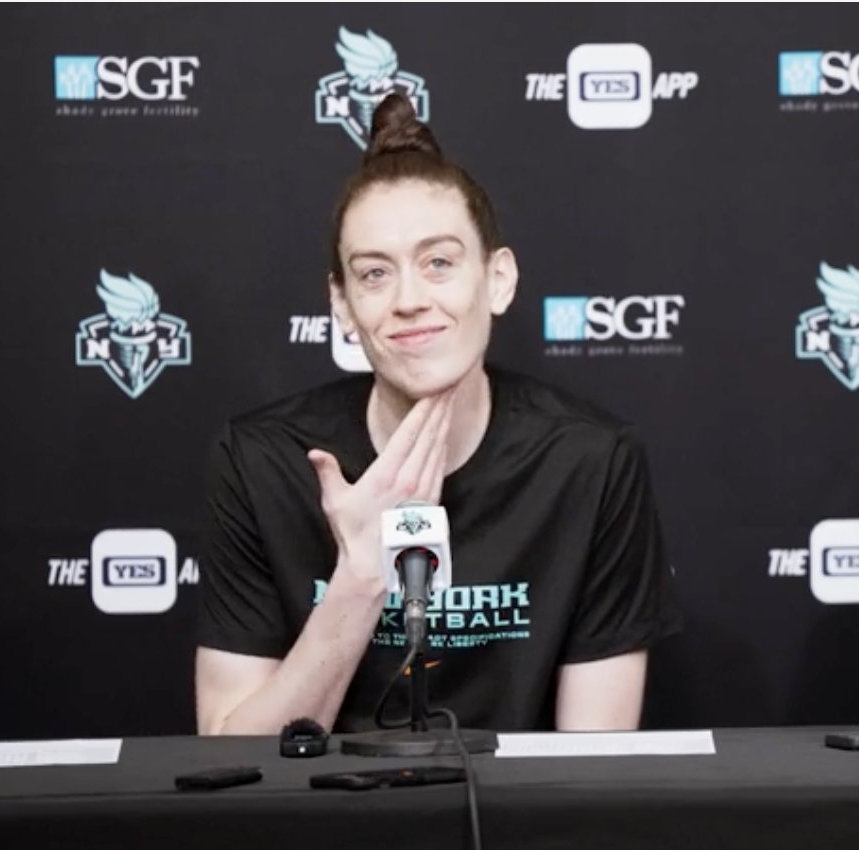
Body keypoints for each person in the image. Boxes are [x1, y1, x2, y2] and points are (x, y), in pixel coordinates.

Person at [194, 91, 683, 736]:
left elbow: (594, 765)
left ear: (498, 280)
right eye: (374, 274)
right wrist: (360, 577)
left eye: (439, 263)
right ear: (341, 305)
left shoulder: (590, 462)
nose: (409, 300)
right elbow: (230, 755)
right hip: (317, 805)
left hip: (518, 806)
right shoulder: (261, 462)